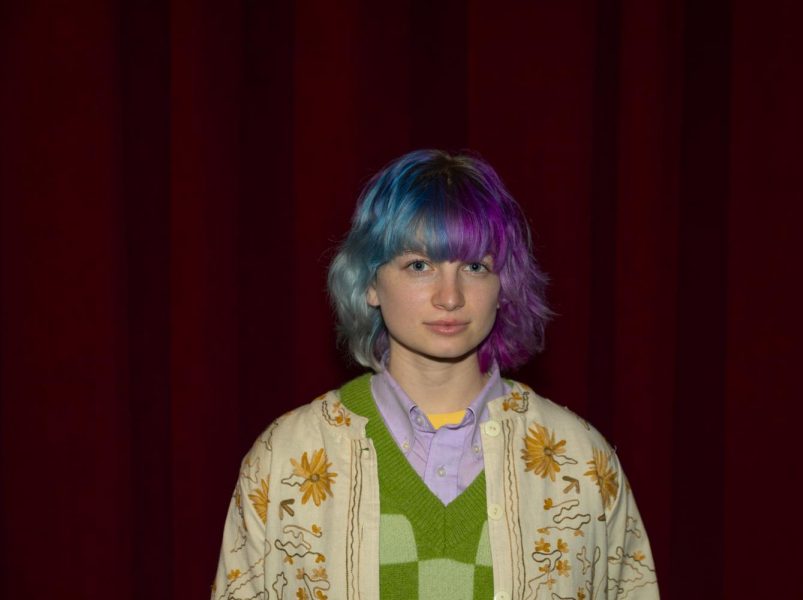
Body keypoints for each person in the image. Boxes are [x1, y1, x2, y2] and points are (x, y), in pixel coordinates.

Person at [212, 150, 658, 600]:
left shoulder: (580, 464)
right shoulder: (286, 460)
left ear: (504, 286)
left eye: (475, 266)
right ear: (369, 283)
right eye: (419, 265)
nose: (450, 296)